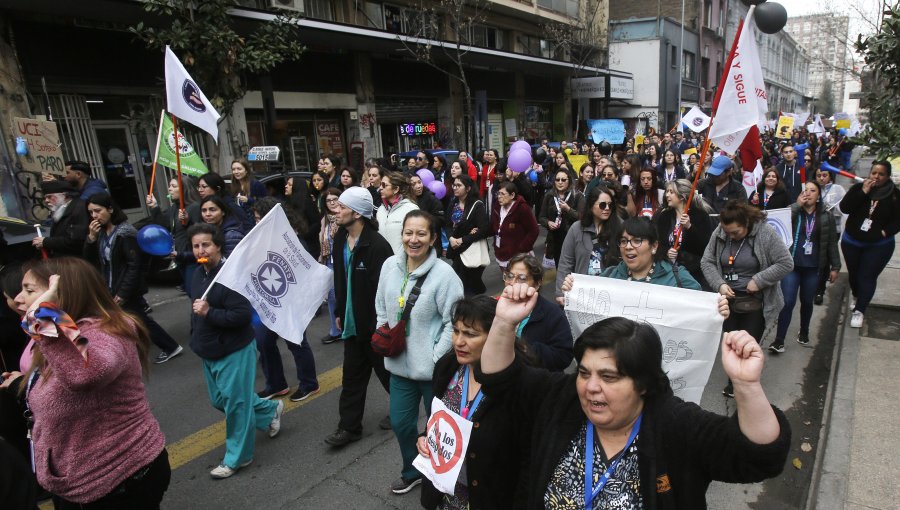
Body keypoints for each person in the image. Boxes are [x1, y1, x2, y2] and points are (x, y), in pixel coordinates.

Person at [476, 284, 790, 509]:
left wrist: (746, 385)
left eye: (609, 377)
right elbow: (500, 380)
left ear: (642, 383)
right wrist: (504, 322)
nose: (591, 386)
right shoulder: (561, 400)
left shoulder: (675, 425)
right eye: (584, 373)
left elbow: (759, 456)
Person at [4, 257, 171, 506]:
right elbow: (62, 377)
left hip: (119, 481)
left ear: (64, 294)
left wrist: (47, 315)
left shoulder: (107, 331)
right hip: (76, 484)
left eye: (29, 290)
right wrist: (25, 383)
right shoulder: (65, 329)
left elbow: (86, 373)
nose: (18, 298)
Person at [375, 210, 464, 494]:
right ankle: (412, 471)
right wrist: (382, 328)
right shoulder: (389, 265)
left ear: (433, 238)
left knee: (438, 431)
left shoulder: (445, 275)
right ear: (401, 235)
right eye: (408, 233)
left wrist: (436, 358)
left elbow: (455, 321)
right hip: (399, 366)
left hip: (433, 372)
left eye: (421, 234)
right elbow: (380, 303)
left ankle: (441, 477)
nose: (414, 240)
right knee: (402, 424)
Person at [186, 223, 284, 479]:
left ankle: (238, 458)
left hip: (233, 350)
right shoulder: (198, 274)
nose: (200, 250)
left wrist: (209, 312)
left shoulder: (231, 276)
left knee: (236, 406)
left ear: (218, 246)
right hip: (208, 351)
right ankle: (268, 410)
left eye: (205, 244)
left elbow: (241, 315)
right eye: (196, 246)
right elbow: (195, 308)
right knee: (221, 400)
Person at [417, 294, 531, 509]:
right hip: (445, 493)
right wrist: (425, 438)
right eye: (456, 331)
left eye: (470, 334)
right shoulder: (448, 366)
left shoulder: (516, 384)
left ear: (495, 337)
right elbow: (437, 417)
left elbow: (527, 458)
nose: (459, 342)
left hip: (490, 496)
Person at [701, 201, 793, 397]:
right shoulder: (721, 231)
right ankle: (735, 381)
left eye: (735, 233)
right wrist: (719, 284)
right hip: (729, 301)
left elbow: (786, 263)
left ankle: (744, 385)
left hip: (755, 301)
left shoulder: (765, 233)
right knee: (732, 344)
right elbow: (707, 261)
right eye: (727, 232)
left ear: (747, 223)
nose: (730, 236)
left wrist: (759, 280)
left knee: (747, 344)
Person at [325, 187, 393, 447]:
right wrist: (340, 312)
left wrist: (383, 325)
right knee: (351, 379)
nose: (337, 210)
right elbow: (340, 279)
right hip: (353, 327)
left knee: (389, 376)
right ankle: (349, 428)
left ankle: (401, 411)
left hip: (375, 328)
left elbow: (386, 291)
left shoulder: (377, 246)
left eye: (342, 207)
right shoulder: (341, 238)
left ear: (357, 213)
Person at [84, 192, 184, 364]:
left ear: (110, 209)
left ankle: (169, 346)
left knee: (139, 320)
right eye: (91, 212)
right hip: (110, 285)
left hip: (125, 288)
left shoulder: (125, 233)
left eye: (98, 211)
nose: (94, 216)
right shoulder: (100, 233)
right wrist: (91, 239)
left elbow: (133, 266)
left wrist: (123, 292)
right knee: (132, 320)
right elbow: (92, 259)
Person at [251, 198, 320, 401]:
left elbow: (303, 271)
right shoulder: (259, 239)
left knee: (296, 342)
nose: (256, 223)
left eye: (258, 219)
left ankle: (309, 383)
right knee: (263, 341)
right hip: (271, 301)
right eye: (254, 219)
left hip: (291, 302)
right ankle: (276, 384)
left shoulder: (292, 240)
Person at [769, 181, 840, 352]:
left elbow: (831, 243)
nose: (808, 193)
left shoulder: (826, 216)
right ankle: (779, 340)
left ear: (818, 196)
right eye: (805, 190)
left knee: (807, 301)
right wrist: (796, 205)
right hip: (792, 266)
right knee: (788, 301)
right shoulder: (795, 212)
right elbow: (782, 221)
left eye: (812, 190)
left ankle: (804, 330)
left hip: (813, 267)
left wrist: (835, 266)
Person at [839, 160, 900, 328]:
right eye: (874, 173)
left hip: (878, 245)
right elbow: (845, 208)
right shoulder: (859, 188)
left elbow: (898, 221)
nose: (877, 177)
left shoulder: (894, 195)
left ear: (887, 176)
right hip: (852, 241)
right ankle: (858, 295)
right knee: (854, 275)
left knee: (867, 276)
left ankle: (860, 310)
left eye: (881, 174)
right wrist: (863, 193)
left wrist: (884, 232)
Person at [504, 253, 573, 371]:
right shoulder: (496, 307)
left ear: (537, 283)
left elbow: (564, 356)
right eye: (510, 276)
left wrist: (526, 349)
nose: (513, 283)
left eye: (521, 278)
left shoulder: (553, 314)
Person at [555, 185, 622, 304]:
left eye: (610, 205)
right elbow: (566, 262)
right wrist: (560, 292)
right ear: (591, 206)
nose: (607, 208)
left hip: (611, 294)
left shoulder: (620, 227)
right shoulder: (576, 228)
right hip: (582, 293)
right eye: (602, 205)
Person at [600, 217, 703, 289]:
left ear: (654, 246)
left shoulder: (678, 277)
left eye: (637, 241)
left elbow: (701, 307)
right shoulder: (609, 276)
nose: (628, 246)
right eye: (623, 241)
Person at [147, 175, 201, 294]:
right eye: (169, 186)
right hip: (180, 257)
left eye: (174, 186)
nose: (169, 189)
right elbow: (164, 226)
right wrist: (155, 207)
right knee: (190, 292)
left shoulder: (195, 207)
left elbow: (201, 233)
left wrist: (188, 222)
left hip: (192, 258)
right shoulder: (174, 208)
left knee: (195, 294)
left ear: (184, 189)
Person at [656, 179, 714, 289]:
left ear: (682, 196)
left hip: (693, 273)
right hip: (669, 272)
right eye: (667, 191)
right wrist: (666, 252)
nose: (667, 194)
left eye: (671, 192)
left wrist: (689, 227)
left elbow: (705, 246)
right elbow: (658, 243)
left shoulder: (700, 216)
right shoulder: (664, 216)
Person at [446, 175, 491, 295]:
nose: (455, 188)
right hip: (457, 249)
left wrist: (462, 239)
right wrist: (451, 238)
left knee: (470, 282)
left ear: (468, 188)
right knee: (458, 281)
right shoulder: (453, 203)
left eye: (459, 185)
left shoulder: (477, 205)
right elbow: (447, 225)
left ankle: (474, 305)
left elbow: (484, 230)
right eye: (454, 185)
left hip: (471, 248)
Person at [539, 168, 584, 268]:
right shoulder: (549, 196)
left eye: (563, 180)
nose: (560, 182)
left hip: (573, 238)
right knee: (560, 267)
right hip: (555, 239)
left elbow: (582, 218)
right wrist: (548, 223)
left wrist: (568, 209)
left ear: (569, 181)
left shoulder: (577, 196)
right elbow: (541, 217)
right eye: (557, 180)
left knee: (573, 268)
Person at [814, 167, 846, 304]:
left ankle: (820, 291)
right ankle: (813, 287)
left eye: (824, 175)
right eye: (819, 175)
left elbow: (845, 208)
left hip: (834, 229)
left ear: (830, 176)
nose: (821, 178)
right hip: (815, 229)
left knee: (826, 258)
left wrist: (832, 209)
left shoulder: (837, 189)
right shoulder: (812, 189)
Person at [33, 180, 89, 258]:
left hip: (75, 261)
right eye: (45, 198)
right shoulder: (63, 209)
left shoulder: (78, 209)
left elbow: (76, 240)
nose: (46, 201)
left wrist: (46, 242)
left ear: (64, 196)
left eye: (49, 197)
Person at [490, 182, 539, 270]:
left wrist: (522, 249)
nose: (499, 196)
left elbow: (534, 230)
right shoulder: (497, 206)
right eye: (498, 193)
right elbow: (492, 226)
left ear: (512, 195)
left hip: (519, 256)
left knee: (521, 281)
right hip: (501, 252)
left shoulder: (522, 208)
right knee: (508, 281)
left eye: (503, 194)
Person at [318, 187, 345, 345]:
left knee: (339, 296)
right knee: (332, 297)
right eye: (328, 201)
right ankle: (336, 330)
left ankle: (340, 329)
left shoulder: (344, 217)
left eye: (335, 199)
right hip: (329, 262)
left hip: (342, 262)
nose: (332, 203)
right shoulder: (325, 220)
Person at [376, 172, 419, 255]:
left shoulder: (411, 209)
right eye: (380, 184)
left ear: (396, 189)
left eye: (384, 185)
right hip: (382, 261)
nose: (380, 188)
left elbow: (415, 239)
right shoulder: (381, 209)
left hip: (402, 261)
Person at [42, 160, 107, 200]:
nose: (63, 176)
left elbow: (77, 205)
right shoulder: (79, 188)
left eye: (67, 173)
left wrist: (58, 185)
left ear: (78, 174)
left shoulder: (93, 190)